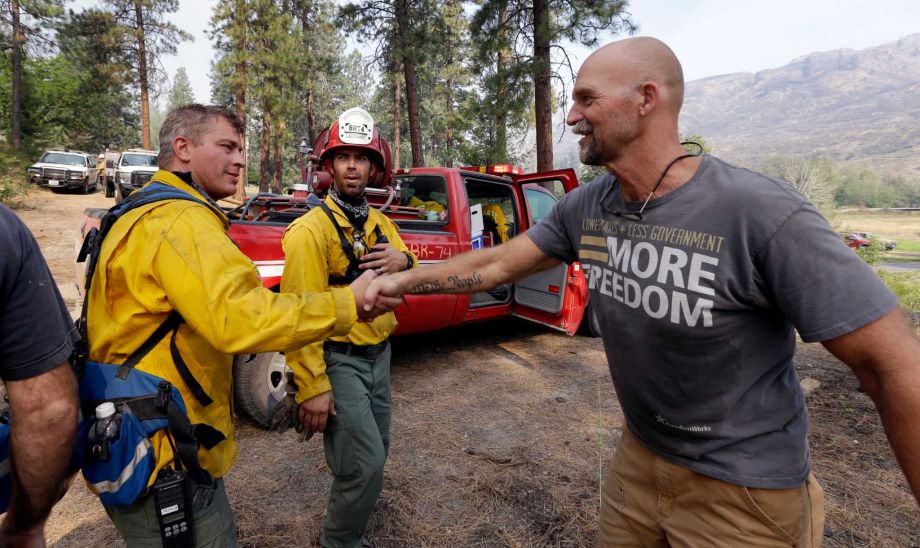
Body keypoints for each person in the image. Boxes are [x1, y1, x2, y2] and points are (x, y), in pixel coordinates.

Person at [364, 37, 920, 546]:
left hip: (743, 491)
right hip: (638, 462)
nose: (571, 115)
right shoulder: (589, 204)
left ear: (645, 99)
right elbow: (498, 265)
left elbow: (892, 365)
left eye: (586, 98)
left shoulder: (760, 212)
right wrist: (401, 280)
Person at [85, 104, 399, 546]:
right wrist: (345, 307)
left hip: (147, 429)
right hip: (161, 446)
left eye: (242, 149)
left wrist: (403, 260)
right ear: (183, 149)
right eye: (227, 147)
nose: (239, 160)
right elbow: (241, 317)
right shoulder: (180, 223)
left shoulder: (142, 211)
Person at [281, 107, 416, 548]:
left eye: (361, 157)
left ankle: (351, 523)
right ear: (329, 167)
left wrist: (406, 260)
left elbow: (409, 277)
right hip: (339, 361)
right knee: (362, 465)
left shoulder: (382, 225)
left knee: (377, 453)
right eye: (343, 158)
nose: (353, 166)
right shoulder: (309, 232)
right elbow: (297, 315)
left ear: (374, 167)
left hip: (380, 358)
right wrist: (312, 385)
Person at [0, 205, 79, 547]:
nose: (240, 161)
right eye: (228, 146)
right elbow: (47, 410)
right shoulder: (5, 234)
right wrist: (23, 525)